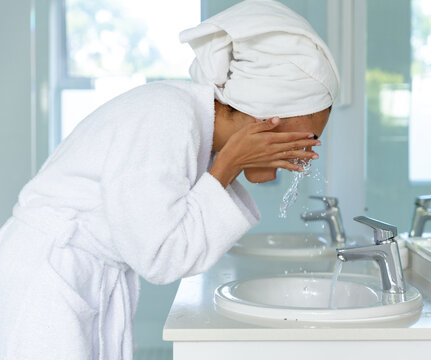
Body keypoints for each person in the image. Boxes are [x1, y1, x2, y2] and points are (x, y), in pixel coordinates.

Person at [0, 0, 339, 358]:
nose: (305, 159)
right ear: (265, 118)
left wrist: (228, 163)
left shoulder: (192, 128)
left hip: (76, 280)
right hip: (45, 284)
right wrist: (229, 163)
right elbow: (161, 258)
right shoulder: (166, 115)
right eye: (308, 139)